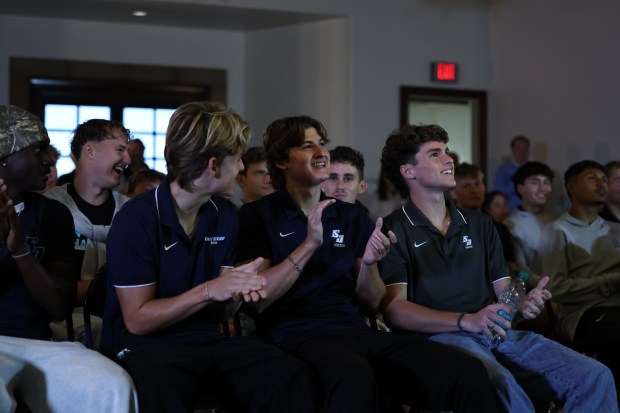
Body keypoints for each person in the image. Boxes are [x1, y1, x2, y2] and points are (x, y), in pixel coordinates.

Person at [236, 115, 499, 413]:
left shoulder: (351, 215)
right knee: (353, 374)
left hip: (354, 329)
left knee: (465, 369)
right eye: (307, 146)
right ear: (282, 161)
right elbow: (258, 300)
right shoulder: (257, 216)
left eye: (322, 144)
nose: (322, 153)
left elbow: (372, 302)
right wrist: (309, 244)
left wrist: (371, 264)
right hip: (296, 333)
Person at [379, 124, 617, 413]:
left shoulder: (480, 224)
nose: (448, 159)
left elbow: (505, 293)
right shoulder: (394, 228)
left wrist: (524, 303)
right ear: (408, 172)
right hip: (440, 339)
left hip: (496, 335)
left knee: (594, 376)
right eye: (434, 154)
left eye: (446, 150)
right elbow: (395, 310)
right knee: (501, 387)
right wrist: (466, 321)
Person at [100, 101, 315, 413]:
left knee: (285, 371)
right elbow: (137, 320)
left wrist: (235, 292)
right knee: (165, 376)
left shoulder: (225, 214)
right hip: (141, 345)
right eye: (238, 159)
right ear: (213, 166)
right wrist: (210, 290)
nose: (241, 168)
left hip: (201, 340)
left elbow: (219, 313)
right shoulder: (136, 219)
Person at [0, 105, 137, 413]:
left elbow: (60, 305)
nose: (51, 159)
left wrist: (20, 250)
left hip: (42, 344)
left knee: (111, 385)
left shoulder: (51, 213)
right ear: (5, 158)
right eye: (39, 150)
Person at [45, 119, 132, 345]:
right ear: (90, 150)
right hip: (59, 330)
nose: (128, 160)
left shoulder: (130, 212)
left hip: (121, 323)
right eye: (120, 150)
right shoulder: (50, 207)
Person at [541, 160, 620, 397]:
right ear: (572, 186)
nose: (602, 184)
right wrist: (610, 282)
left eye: (605, 179)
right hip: (585, 314)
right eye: (593, 178)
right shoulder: (557, 231)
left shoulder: (615, 230)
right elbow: (555, 286)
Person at [451, 163, 516, 273]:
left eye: (478, 184)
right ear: (453, 193)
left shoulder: (499, 229)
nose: (474, 191)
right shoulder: (448, 227)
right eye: (466, 186)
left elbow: (511, 266)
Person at [503, 161, 555, 287]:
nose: (542, 188)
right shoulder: (510, 225)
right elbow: (518, 271)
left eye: (546, 182)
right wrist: (541, 284)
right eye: (535, 182)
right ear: (520, 188)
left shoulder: (556, 219)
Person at [494, 135, 530, 211]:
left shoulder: (534, 169)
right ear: (513, 150)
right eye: (519, 148)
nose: (523, 152)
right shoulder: (503, 170)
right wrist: (516, 182)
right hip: (509, 213)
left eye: (525, 148)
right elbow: (498, 193)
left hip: (531, 212)